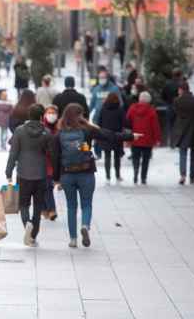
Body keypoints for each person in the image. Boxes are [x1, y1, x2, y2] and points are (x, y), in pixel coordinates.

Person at [53, 104, 137, 248]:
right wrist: (130, 136)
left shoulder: (59, 135)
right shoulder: (87, 130)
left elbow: (55, 157)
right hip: (86, 172)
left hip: (67, 174)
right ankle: (85, 225)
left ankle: (73, 239)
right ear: (80, 115)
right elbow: (109, 135)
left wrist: (56, 178)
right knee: (86, 204)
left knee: (71, 207)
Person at [6, 104, 53, 247]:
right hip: (40, 174)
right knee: (38, 206)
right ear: (41, 117)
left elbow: (13, 153)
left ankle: (27, 224)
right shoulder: (46, 132)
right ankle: (33, 236)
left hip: (23, 173)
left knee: (24, 204)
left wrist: (8, 171)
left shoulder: (19, 131)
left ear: (29, 115)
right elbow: (49, 152)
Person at [126, 91, 161, 185]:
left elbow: (127, 122)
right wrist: (157, 139)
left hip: (135, 138)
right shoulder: (151, 110)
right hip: (147, 139)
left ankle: (136, 172)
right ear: (149, 100)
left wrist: (127, 137)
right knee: (146, 159)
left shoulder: (132, 108)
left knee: (135, 157)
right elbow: (155, 126)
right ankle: (143, 178)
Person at [171, 82, 194, 185]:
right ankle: (192, 175)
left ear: (181, 89)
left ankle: (183, 175)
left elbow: (176, 113)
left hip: (182, 130)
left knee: (183, 153)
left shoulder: (177, 100)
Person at [97, 93, 126, 181]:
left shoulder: (103, 109)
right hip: (117, 136)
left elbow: (99, 122)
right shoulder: (120, 110)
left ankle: (108, 175)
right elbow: (124, 122)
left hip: (106, 136)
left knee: (107, 156)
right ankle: (117, 175)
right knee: (117, 157)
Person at [42, 105, 59, 220]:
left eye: (53, 113)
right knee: (45, 187)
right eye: (49, 112)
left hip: (54, 162)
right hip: (43, 162)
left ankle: (48, 209)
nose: (51, 115)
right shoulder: (41, 128)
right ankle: (48, 209)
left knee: (48, 187)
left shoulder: (60, 128)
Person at [162, 69, 184, 146]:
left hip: (169, 106)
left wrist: (167, 101)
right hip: (179, 107)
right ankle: (178, 142)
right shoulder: (182, 84)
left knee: (170, 125)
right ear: (180, 75)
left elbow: (163, 96)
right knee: (179, 125)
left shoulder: (167, 84)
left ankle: (171, 143)